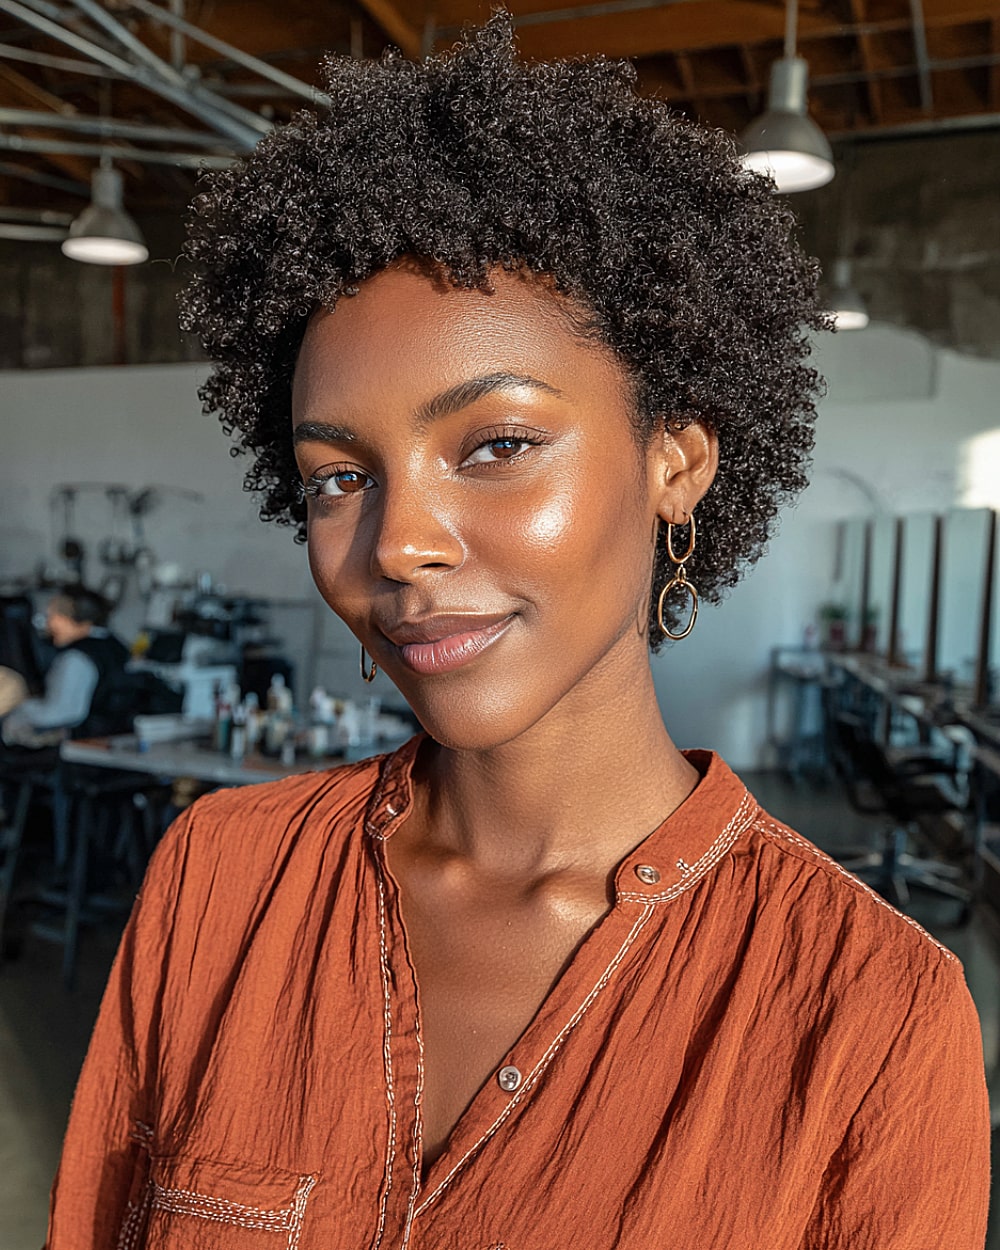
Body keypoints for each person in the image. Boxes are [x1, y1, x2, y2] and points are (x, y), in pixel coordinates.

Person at [47, 17, 989, 1249]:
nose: (395, 543)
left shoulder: (869, 1012)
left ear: (677, 459)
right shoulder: (217, 881)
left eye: (495, 444)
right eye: (337, 477)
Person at [1, 587, 130, 748]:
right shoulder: (116, 647)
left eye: (53, 616)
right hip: (117, 741)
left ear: (74, 619)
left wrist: (14, 708)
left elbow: (57, 713)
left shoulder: (75, 659)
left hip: (82, 750)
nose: (48, 624)